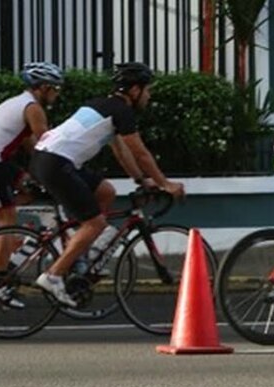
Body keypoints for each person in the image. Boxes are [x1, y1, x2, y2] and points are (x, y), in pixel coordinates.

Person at [29, 62, 185, 307]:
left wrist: (140, 180)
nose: (149, 95)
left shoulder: (103, 105)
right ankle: (54, 275)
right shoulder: (122, 111)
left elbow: (122, 152)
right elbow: (140, 152)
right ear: (134, 90)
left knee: (106, 191)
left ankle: (81, 255)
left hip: (49, 159)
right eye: (147, 90)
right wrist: (164, 183)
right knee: (95, 223)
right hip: (56, 163)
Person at [0, 61, 63, 308]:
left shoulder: (20, 102)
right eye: (56, 89)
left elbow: (29, 143)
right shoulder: (33, 108)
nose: (58, 94)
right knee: (9, 219)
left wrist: (36, 176)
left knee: (28, 191)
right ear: (43, 87)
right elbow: (47, 144)